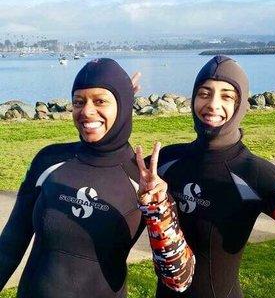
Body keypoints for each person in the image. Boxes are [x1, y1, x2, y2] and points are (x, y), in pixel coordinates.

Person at [0, 58, 194, 297]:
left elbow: (179, 279)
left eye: (100, 100)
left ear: (122, 105)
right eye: (78, 101)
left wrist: (158, 208)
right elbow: (9, 245)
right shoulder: (49, 160)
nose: (87, 111)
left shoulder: (142, 178)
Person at [141, 55, 275, 298]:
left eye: (226, 96)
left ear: (241, 105)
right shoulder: (165, 161)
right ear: (193, 99)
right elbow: (108, 162)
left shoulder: (255, 173)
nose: (213, 105)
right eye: (204, 93)